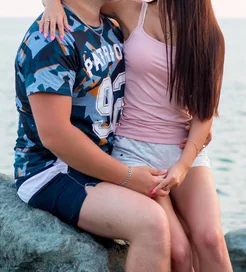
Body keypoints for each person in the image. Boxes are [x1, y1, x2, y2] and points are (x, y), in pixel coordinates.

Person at [39, 0, 232, 271]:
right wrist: (52, 4)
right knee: (178, 251)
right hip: (133, 150)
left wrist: (183, 164)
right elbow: (82, 2)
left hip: (184, 151)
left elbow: (205, 112)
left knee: (210, 239)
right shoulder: (132, 9)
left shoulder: (209, 36)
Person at [13, 0, 182, 270]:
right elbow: (55, 135)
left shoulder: (110, 28)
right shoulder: (51, 36)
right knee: (151, 223)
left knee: (184, 228)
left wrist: (193, 126)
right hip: (52, 170)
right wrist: (127, 177)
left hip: (103, 161)